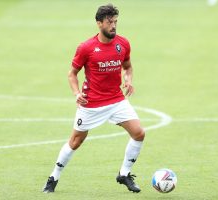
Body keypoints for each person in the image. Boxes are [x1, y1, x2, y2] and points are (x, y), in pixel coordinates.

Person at [43, 4, 145, 193]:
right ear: (99, 23)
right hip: (91, 104)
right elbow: (72, 74)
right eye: (109, 22)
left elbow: (128, 66)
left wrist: (128, 79)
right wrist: (77, 93)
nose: (113, 26)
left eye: (115, 22)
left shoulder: (122, 44)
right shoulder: (86, 48)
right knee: (75, 142)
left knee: (139, 133)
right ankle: (53, 177)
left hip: (116, 101)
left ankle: (124, 173)